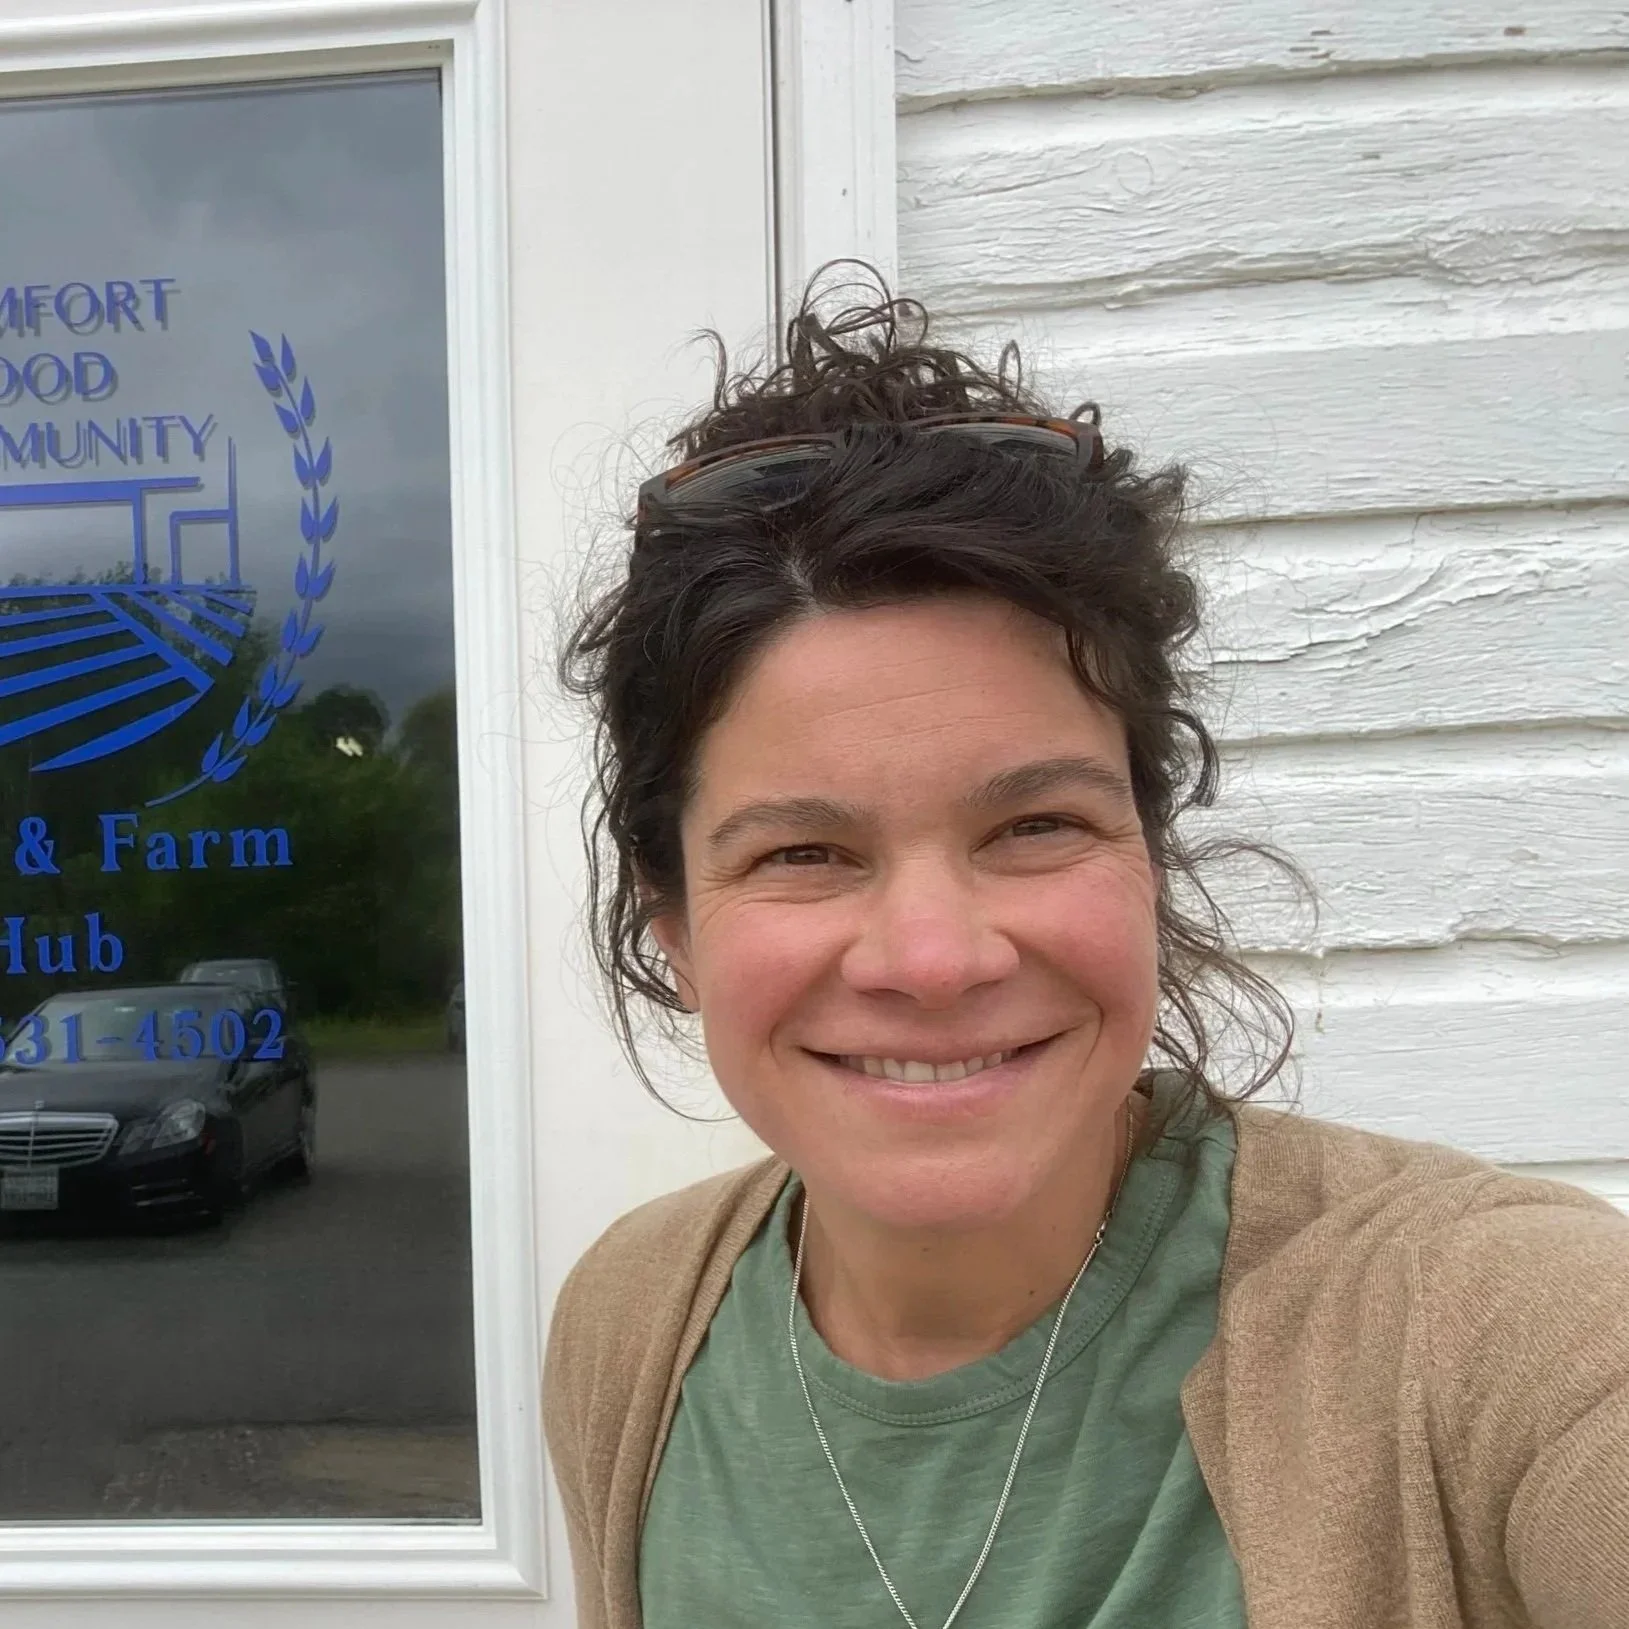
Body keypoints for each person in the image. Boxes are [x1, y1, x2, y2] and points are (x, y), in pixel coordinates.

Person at [545, 274, 1629, 1629]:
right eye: (804, 854)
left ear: (1149, 861)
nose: (933, 958)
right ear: (674, 928)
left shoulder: (1494, 1330)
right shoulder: (632, 1328)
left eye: (1036, 825)